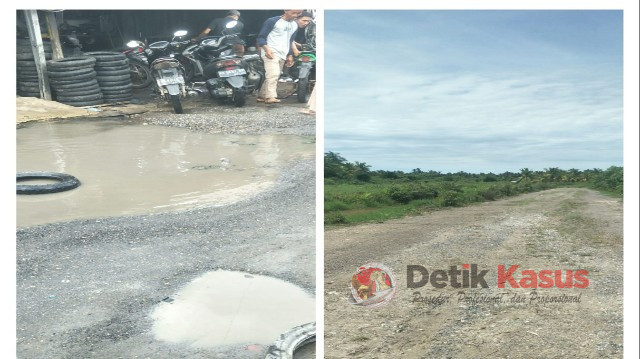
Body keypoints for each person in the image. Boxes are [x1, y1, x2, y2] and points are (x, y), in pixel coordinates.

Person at [256, 10, 303, 104]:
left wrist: (290, 55)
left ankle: (262, 96)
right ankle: (270, 97)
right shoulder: (272, 21)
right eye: (294, 13)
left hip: (283, 53)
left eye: (298, 14)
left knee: (275, 75)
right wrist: (266, 49)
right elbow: (261, 37)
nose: (296, 15)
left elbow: (290, 41)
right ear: (286, 10)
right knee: (273, 74)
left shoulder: (294, 25)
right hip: (270, 51)